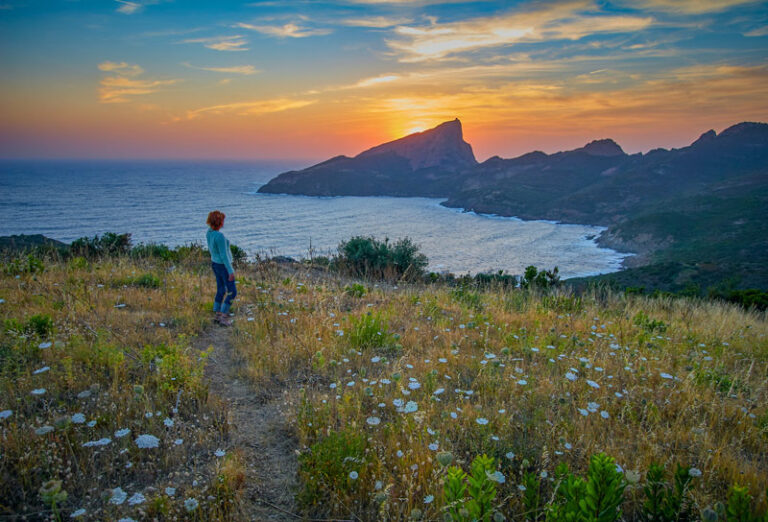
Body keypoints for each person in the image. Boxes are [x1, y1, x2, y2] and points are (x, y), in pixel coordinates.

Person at [206, 210, 237, 326]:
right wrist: (230, 271)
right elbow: (224, 256)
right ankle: (224, 316)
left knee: (220, 289)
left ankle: (217, 314)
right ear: (219, 222)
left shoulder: (209, 233)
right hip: (223, 266)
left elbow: (211, 250)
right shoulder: (220, 236)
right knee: (232, 291)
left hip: (215, 264)